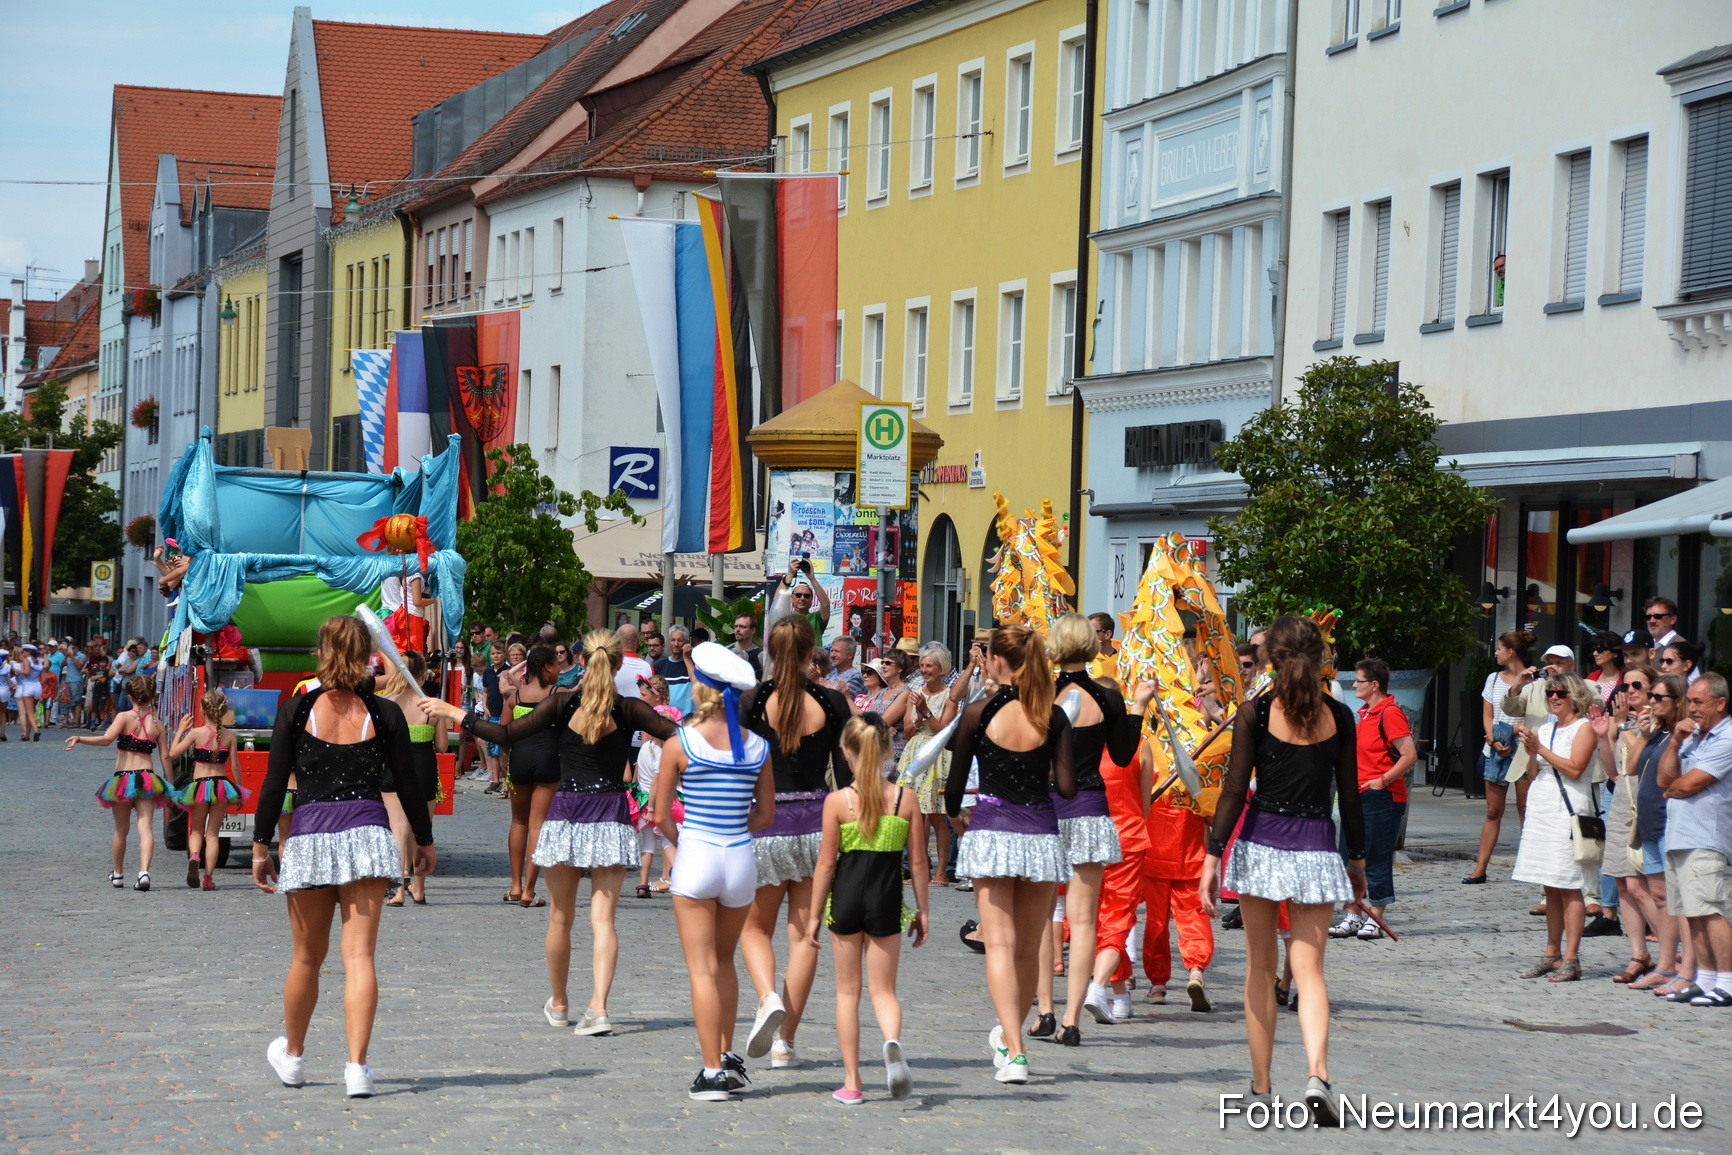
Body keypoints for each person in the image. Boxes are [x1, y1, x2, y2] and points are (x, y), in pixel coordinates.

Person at [423, 630, 679, 1037]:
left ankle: (560, 1004)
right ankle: (598, 1008)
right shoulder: (629, 708)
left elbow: (504, 736)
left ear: (582, 662)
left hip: (566, 812)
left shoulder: (562, 702)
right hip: (610, 812)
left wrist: (456, 714)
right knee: (604, 921)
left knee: (560, 917)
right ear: (617, 665)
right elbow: (677, 734)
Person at [252, 616, 436, 1098]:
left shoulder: (296, 709)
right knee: (360, 958)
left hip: (311, 832)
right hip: (367, 832)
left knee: (306, 958)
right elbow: (408, 784)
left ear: (321, 652)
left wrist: (259, 844)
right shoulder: (384, 713)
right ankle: (357, 1067)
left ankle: (292, 1056)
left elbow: (274, 783)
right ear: (366, 656)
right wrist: (425, 838)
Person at [1199, 615, 1364, 1124]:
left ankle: (1262, 1083)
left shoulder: (1255, 711)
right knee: (1310, 971)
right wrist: (1357, 862)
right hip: (1316, 846)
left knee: (1259, 968)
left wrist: (1211, 854)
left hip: (1263, 844)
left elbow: (1232, 790)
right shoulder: (1339, 714)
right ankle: (1317, 1073)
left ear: (1269, 656)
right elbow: (1350, 799)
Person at [945, 625, 1075, 1085]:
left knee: (998, 943)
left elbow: (954, 788)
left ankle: (1015, 1051)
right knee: (1026, 946)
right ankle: (1012, 1039)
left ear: (996, 662)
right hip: (1040, 832)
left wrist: (957, 817)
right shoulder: (1052, 716)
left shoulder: (979, 712)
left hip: (993, 830)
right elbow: (1067, 787)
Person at [652, 642, 774, 1101]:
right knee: (725, 964)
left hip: (699, 852)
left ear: (700, 686)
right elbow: (764, 816)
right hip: (739, 857)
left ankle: (710, 1072)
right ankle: (725, 1057)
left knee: (701, 970)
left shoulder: (679, 743)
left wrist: (686, 844)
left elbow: (661, 814)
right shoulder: (757, 745)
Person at [738, 615, 854, 1070]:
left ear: (768, 651)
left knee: (754, 929)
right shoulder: (831, 702)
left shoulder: (752, 700)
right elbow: (846, 777)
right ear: (812, 655)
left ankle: (768, 997)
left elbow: (737, 767)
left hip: (765, 822)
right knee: (805, 936)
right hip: (817, 824)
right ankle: (785, 1042)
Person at [806, 713, 929, 1103]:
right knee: (884, 990)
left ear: (846, 753)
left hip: (845, 898)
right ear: (886, 751)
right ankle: (891, 1042)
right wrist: (922, 910)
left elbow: (826, 864)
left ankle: (853, 1082)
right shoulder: (905, 800)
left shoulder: (837, 802)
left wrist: (812, 916)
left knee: (847, 993)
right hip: (887, 898)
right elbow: (921, 862)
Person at [1046, 614, 1143, 1042]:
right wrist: (1138, 707)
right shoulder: (1106, 695)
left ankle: (1044, 1008)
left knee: (1045, 914)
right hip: (1089, 805)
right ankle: (1072, 1018)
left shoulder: (1040, 694)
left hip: (1046, 809)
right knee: (1084, 921)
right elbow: (1122, 756)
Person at [1510, 673, 1602, 983]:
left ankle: (1572, 957)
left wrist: (1542, 750)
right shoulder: (1545, 728)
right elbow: (1534, 771)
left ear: (1573, 696)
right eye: (1550, 692)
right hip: (1543, 807)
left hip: (1569, 810)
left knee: (1570, 883)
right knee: (1550, 884)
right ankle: (1552, 952)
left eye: (1559, 692)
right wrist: (1533, 752)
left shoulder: (1584, 728)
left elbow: (1576, 769)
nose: (1553, 697)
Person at [1655, 673, 1732, 1006]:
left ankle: (1727, 982)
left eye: (1699, 702)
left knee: (1711, 910)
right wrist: (1674, 743)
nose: (1692, 708)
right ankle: (1706, 978)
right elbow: (1664, 779)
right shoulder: (1692, 736)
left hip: (1706, 837)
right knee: (1692, 912)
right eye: (1689, 701)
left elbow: (1685, 785)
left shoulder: (1727, 737)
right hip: (1679, 835)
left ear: (1720, 703)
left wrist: (1674, 789)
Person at [1330, 659, 1417, 940]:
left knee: (1377, 857)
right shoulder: (1365, 713)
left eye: (1359, 680)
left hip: (1383, 797)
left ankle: (1376, 916)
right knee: (1349, 856)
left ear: (1374, 685)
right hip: (1357, 795)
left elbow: (1409, 754)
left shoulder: (1390, 713)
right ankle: (1353, 913)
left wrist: (1384, 780)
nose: (1354, 684)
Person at [72, 674, 173, 891]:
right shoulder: (158, 724)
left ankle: (118, 874)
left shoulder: (124, 717)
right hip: (147, 779)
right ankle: (144, 872)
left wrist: (80, 739)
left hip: (124, 778)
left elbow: (106, 739)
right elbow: (165, 757)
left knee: (120, 829)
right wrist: (170, 785)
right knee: (146, 827)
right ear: (151, 696)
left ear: (129, 695)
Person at [1600, 666, 1665, 982]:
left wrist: (1624, 725)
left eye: (1638, 684)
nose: (1630, 689)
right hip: (1623, 805)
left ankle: (1670, 951)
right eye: (1625, 685)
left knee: (1641, 888)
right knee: (1624, 885)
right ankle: (1639, 954)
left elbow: (1640, 760)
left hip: (1647, 807)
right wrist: (1604, 734)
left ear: (1652, 687)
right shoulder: (1624, 721)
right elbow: (1613, 768)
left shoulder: (1657, 720)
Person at [1630, 674, 1694, 994]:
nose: (1650, 702)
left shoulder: (1685, 736)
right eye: (1650, 696)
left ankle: (1689, 969)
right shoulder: (1657, 733)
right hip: (1650, 823)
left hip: (1672, 824)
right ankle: (1666, 965)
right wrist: (1642, 735)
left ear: (1677, 701)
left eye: (1658, 698)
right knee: (1661, 898)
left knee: (1680, 900)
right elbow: (1630, 768)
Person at [1465, 631, 1535, 884]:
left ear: (1511, 652)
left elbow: (1533, 717)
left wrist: (1509, 733)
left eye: (1499, 648)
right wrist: (1493, 739)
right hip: (1494, 748)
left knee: (1525, 809)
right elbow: (1487, 715)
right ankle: (1480, 868)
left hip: (1524, 748)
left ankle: (1530, 867)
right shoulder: (1493, 679)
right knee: (1493, 810)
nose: (1495, 652)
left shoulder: (1533, 681)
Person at [380, 652, 446, 906]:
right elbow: (441, 746)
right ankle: (418, 889)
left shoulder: (388, 702)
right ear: (422, 674)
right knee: (423, 831)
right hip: (423, 768)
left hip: (394, 768)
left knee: (398, 830)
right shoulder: (431, 704)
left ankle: (398, 890)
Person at [499, 646, 561, 908]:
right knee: (537, 825)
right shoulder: (559, 695)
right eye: (557, 664)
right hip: (548, 760)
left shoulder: (516, 698)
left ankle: (514, 886)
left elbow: (503, 736)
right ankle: (529, 891)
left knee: (519, 822)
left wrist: (506, 764)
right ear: (547, 667)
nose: (559, 669)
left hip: (519, 760)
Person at [168, 689, 246, 890]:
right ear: (224, 711)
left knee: (196, 830)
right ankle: (208, 879)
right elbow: (235, 766)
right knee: (213, 834)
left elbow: (172, 753)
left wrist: (180, 731)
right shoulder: (230, 735)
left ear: (202, 711)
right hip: (221, 786)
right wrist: (238, 789)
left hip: (200, 785)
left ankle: (195, 856)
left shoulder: (196, 733)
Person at [896, 643, 959, 888]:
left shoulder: (950, 695)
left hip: (937, 753)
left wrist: (926, 711)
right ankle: (919, 868)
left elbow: (943, 730)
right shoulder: (914, 693)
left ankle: (942, 871)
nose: (924, 670)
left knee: (936, 816)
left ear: (941, 669)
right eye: (922, 665)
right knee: (916, 815)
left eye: (929, 665)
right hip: (916, 753)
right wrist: (918, 714)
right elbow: (909, 731)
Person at [655, 626, 696, 715]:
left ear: (687, 643)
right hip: (667, 720)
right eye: (673, 640)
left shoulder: (693, 665)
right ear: (669, 642)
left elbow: (697, 684)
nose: (676, 644)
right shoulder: (659, 666)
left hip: (689, 720)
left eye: (680, 640)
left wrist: (687, 658)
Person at [13, 643, 43, 742]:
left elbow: (26, 672)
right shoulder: (38, 662)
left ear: (28, 652)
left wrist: (14, 669)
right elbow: (44, 676)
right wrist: (46, 655)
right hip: (37, 686)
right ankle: (27, 735)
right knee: (31, 712)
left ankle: (36, 731)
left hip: (28, 686)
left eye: (24, 652)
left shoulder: (27, 660)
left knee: (29, 713)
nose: (23, 653)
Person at [1585, 633, 1624, 703]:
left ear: (1615, 653)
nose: (1595, 653)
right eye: (1593, 650)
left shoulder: (1626, 678)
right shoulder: (1591, 677)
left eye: (1600, 650)